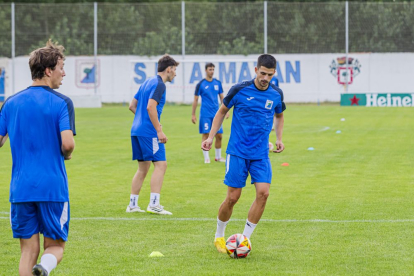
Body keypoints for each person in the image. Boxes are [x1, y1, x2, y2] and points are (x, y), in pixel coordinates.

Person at [0, 40, 76, 275]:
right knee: (54, 246)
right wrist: (67, 154)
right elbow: (68, 143)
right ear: (48, 70)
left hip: (21, 188)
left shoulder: (10, 103)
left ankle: (37, 266)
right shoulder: (62, 102)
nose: (64, 73)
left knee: (27, 250)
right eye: (61, 67)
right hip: (52, 187)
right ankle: (44, 267)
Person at [201, 54, 286, 253]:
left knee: (263, 194)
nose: (265, 78)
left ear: (274, 74)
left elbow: (280, 115)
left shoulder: (276, 93)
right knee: (233, 198)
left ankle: (244, 240)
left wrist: (280, 138)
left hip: (261, 154)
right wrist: (211, 137)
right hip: (237, 151)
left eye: (270, 75)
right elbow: (222, 111)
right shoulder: (239, 90)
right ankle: (219, 235)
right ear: (256, 70)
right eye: (263, 73)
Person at [126, 54, 179, 215]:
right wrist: (158, 129)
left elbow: (132, 106)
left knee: (143, 168)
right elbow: (150, 107)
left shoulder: (146, 82)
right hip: (149, 133)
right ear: (168, 69)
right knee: (161, 165)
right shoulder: (159, 84)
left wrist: (142, 120)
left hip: (136, 130)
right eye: (175, 70)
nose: (175, 74)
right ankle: (154, 204)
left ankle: (133, 205)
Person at [191, 63, 229, 163]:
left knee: (219, 136)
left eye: (213, 69)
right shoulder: (201, 84)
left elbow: (222, 98)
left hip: (216, 114)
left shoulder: (217, 83)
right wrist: (193, 114)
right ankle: (206, 158)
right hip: (205, 114)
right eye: (210, 69)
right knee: (206, 134)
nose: (211, 71)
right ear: (206, 70)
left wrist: (226, 111)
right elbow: (195, 100)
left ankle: (218, 157)